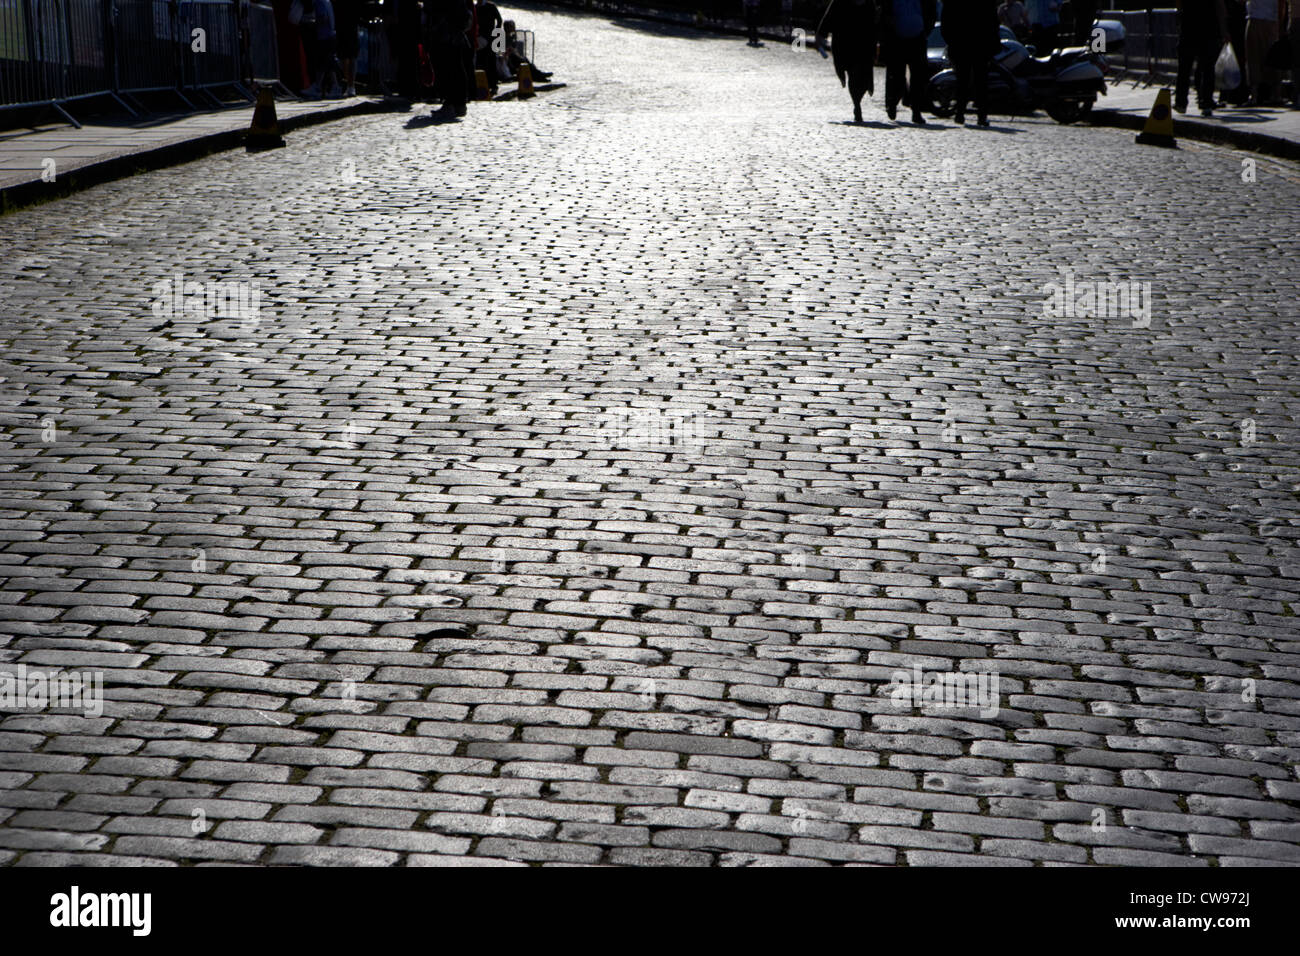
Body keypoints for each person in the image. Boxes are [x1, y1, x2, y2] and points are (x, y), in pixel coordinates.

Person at [816, 0, 879, 123]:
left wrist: (876, 42)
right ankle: (857, 104)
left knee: (863, 76)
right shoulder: (840, 2)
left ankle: (857, 101)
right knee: (853, 75)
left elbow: (874, 23)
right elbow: (829, 17)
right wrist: (821, 35)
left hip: (863, 46)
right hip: (845, 45)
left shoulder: (869, 3)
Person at [944, 0, 1001, 126]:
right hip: (979, 46)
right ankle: (980, 115)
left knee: (963, 82)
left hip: (963, 45)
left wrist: (951, 42)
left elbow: (946, 21)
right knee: (980, 82)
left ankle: (961, 113)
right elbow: (993, 23)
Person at [880, 0, 936, 123]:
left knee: (918, 78)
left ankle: (916, 111)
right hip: (896, 40)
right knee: (896, 76)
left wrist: (926, 30)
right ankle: (892, 103)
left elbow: (931, 12)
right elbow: (883, 14)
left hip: (918, 39)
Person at [1175, 0, 1229, 115]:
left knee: (1184, 68)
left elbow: (1179, 3)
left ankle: (1181, 102)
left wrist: (1180, 18)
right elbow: (1220, 6)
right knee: (1207, 68)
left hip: (1189, 27)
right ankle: (1206, 102)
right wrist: (1223, 30)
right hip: (1208, 28)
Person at [427, 0, 473, 119]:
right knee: (456, 70)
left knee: (447, 71)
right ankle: (458, 104)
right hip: (454, 36)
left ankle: (451, 104)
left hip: (445, 36)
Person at [1244, 0, 1280, 103]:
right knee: (1272, 58)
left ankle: (1254, 94)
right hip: (1271, 19)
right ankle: (1276, 93)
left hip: (1255, 18)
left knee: (1253, 58)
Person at [476, 0, 504, 96]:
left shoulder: (490, 6)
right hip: (480, 38)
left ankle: (493, 85)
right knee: (481, 61)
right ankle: (483, 83)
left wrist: (495, 34)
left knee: (491, 61)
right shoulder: (476, 7)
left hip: (491, 38)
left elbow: (499, 20)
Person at [334, 0, 361, 96]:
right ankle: (349, 83)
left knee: (352, 56)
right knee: (342, 58)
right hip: (340, 26)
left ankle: (351, 86)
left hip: (351, 26)